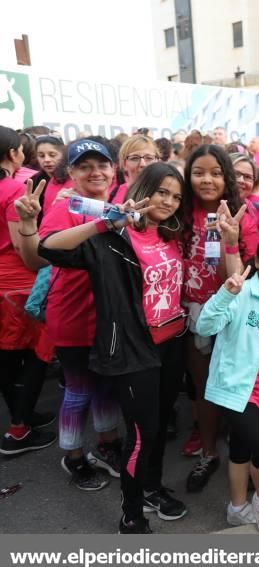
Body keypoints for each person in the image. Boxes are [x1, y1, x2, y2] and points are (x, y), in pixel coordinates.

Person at [37, 162, 190, 533]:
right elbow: (49, 249)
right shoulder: (111, 239)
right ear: (142, 190)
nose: (168, 201)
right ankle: (132, 514)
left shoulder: (172, 235)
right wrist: (106, 222)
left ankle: (152, 488)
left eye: (175, 196)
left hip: (172, 345)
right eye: (162, 192)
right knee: (142, 435)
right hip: (134, 352)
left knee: (157, 429)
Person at [14, 139, 123, 490]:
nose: (95, 172)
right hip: (73, 315)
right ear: (72, 173)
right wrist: (29, 225)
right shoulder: (66, 208)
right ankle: (73, 456)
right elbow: (40, 256)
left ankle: (107, 445)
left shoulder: (116, 205)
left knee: (106, 385)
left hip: (108, 318)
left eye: (102, 165)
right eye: (85, 166)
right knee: (78, 390)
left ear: (113, 170)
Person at [197, 233, 259, 533]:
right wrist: (225, 293)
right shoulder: (241, 293)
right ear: (256, 262)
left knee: (241, 448)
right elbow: (204, 326)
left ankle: (237, 508)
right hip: (233, 391)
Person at [181, 144, 259, 493]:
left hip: (233, 311)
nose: (207, 179)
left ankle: (248, 456)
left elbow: (253, 263)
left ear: (226, 175)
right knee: (204, 387)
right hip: (191, 313)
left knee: (237, 384)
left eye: (215, 172)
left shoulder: (244, 212)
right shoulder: (181, 210)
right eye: (199, 172)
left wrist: (233, 241)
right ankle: (209, 452)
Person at [0, 126, 56, 456]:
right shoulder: (16, 189)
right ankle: (18, 429)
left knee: (8, 357)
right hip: (17, 288)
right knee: (35, 356)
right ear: (13, 154)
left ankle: (24, 415)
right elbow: (25, 250)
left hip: (6, 288)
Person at [112, 135, 160, 205]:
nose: (142, 164)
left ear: (157, 161)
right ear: (124, 164)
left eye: (149, 158)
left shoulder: (167, 192)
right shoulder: (113, 193)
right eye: (134, 158)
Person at [231, 153, 259, 218]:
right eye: (236, 174)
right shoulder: (210, 206)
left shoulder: (252, 209)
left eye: (247, 177)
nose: (241, 180)